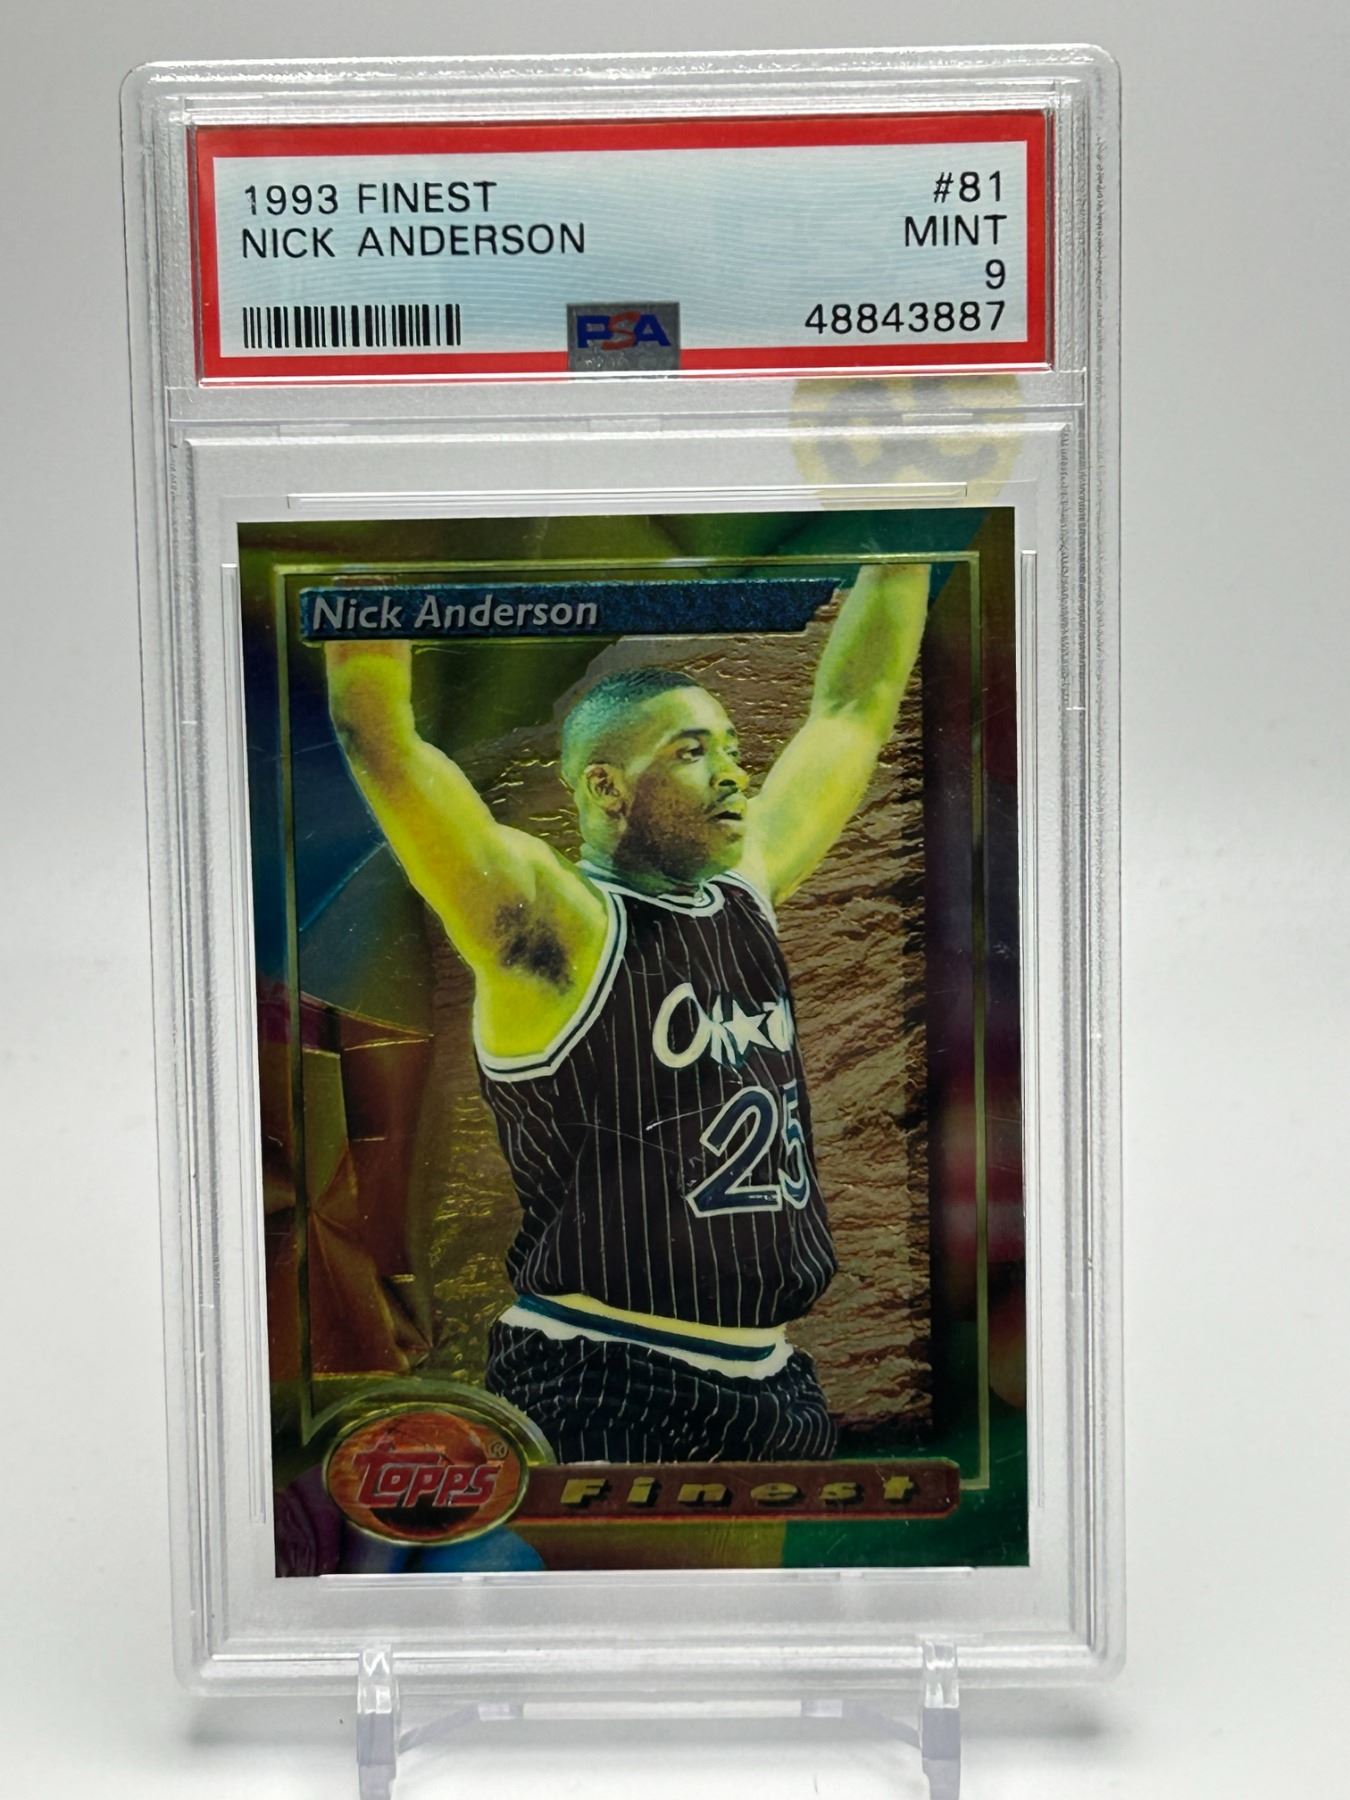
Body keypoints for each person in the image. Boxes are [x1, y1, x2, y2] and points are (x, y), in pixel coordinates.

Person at [325, 561, 928, 1462]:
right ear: (606, 788)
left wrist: (906, 544)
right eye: (691, 752)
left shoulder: (745, 887)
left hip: (773, 1383)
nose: (733, 773)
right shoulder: (556, 929)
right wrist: (368, 584)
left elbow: (853, 708)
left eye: (731, 747)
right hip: (605, 1379)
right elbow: (384, 745)